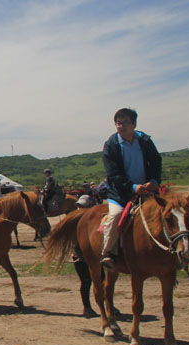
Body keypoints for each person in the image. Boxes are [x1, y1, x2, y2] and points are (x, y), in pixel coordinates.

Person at [100, 108, 162, 269]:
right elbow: (113, 173)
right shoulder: (111, 145)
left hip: (147, 189)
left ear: (134, 124)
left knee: (168, 211)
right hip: (120, 192)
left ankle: (174, 250)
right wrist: (133, 187)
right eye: (119, 123)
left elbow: (156, 161)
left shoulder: (145, 141)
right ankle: (109, 253)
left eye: (126, 122)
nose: (122, 126)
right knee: (116, 216)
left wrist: (154, 180)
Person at [71, 195, 98, 318]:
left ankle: (108, 305)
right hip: (80, 256)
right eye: (78, 205)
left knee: (102, 280)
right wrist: (80, 254)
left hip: (94, 256)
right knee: (86, 281)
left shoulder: (95, 220)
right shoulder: (74, 220)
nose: (79, 208)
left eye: (82, 206)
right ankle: (87, 307)